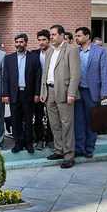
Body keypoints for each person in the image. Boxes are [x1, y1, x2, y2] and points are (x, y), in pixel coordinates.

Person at [40, 24, 80, 169]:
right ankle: (59, 150)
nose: (51, 37)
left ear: (62, 35)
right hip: (49, 92)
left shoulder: (71, 50)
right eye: (50, 34)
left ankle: (69, 156)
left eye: (54, 34)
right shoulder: (49, 51)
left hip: (64, 92)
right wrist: (43, 91)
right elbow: (45, 73)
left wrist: (71, 93)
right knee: (54, 124)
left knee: (66, 125)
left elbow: (75, 74)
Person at [74, 27, 107, 158]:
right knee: (78, 121)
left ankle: (89, 148)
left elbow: (105, 72)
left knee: (91, 121)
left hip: (92, 92)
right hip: (77, 91)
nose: (76, 38)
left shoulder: (100, 51)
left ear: (87, 36)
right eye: (76, 36)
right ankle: (78, 148)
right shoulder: (75, 52)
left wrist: (104, 91)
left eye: (79, 36)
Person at [2, 33, 41, 154]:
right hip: (14, 93)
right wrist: (6, 94)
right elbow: (6, 78)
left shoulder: (33, 57)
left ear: (26, 43)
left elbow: (38, 77)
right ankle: (18, 143)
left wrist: (37, 93)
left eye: (21, 42)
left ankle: (29, 143)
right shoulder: (9, 58)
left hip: (28, 93)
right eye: (17, 42)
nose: (19, 44)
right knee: (15, 120)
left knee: (28, 119)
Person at [32, 29, 54, 150]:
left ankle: (50, 139)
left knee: (51, 115)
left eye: (44, 40)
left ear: (49, 40)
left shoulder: (55, 53)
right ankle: (40, 139)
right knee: (38, 116)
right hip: (38, 89)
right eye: (39, 40)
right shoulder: (34, 54)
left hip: (51, 88)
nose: (41, 42)